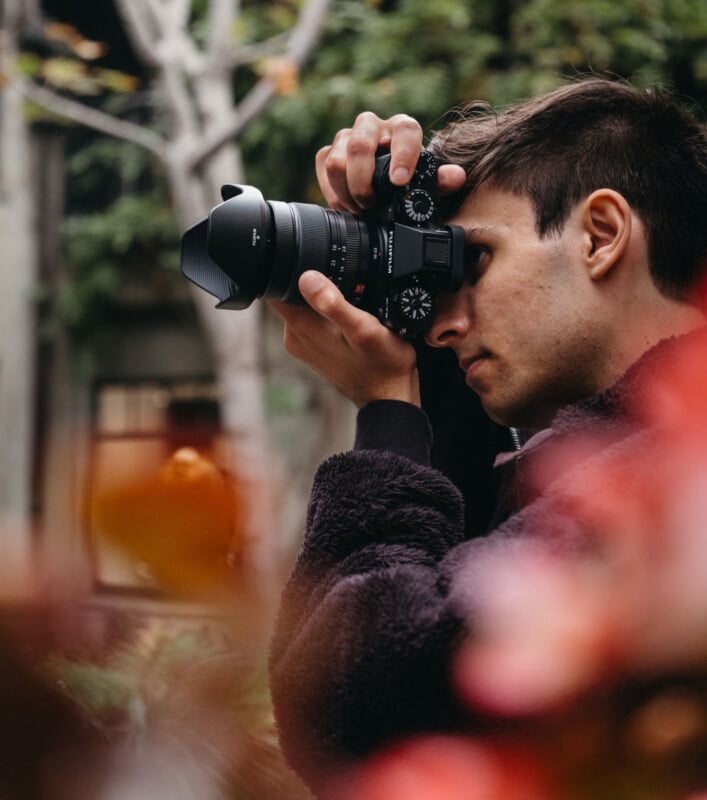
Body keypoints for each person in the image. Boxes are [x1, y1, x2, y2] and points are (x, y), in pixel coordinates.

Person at [267, 78, 707, 794]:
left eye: (472, 262)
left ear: (599, 234)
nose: (442, 325)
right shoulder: (598, 452)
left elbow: (361, 708)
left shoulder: (673, 484)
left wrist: (387, 412)